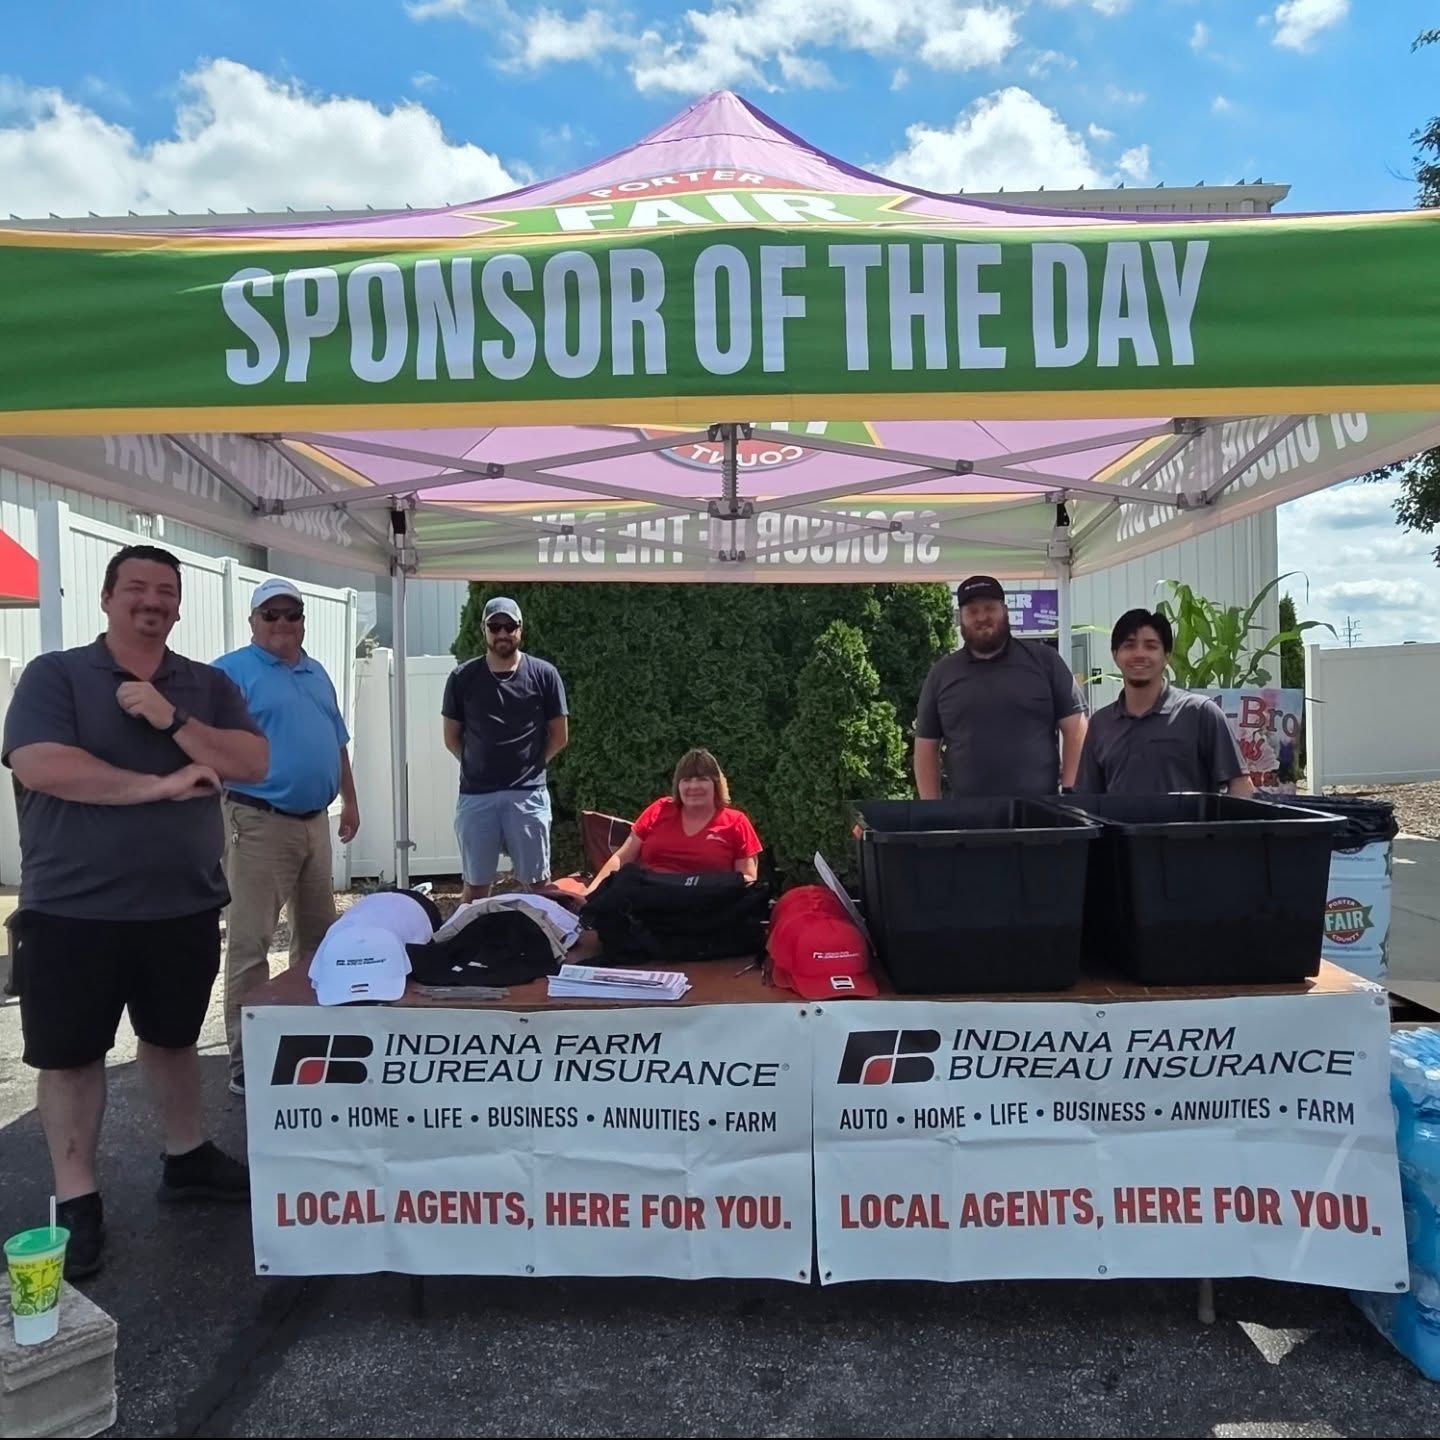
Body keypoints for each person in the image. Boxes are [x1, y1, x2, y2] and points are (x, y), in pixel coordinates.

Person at [2, 545, 269, 1279]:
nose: (153, 602)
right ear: (107, 597)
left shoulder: (204, 685)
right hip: (73, 909)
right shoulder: (57, 675)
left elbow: (250, 762)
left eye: (166, 592)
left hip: (180, 905)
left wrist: (171, 718)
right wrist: (161, 784)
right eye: (138, 589)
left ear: (180, 605)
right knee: (70, 1055)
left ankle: (185, 1158)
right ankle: (75, 1200)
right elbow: (39, 765)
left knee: (174, 1039)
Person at [212, 577, 360, 1096]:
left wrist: (351, 800)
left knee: (319, 938)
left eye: (291, 614)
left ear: (303, 620)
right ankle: (245, 1060)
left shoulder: (317, 672)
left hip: (314, 820)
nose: (282, 623)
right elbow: (201, 741)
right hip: (257, 820)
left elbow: (337, 742)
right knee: (251, 941)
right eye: (270, 614)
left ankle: (307, 1039)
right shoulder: (229, 673)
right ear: (253, 621)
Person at [914, 576, 1088, 799]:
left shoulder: (1045, 661)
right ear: (961, 618)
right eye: (972, 611)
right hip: (967, 818)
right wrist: (932, 809)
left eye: (989, 608)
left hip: (1041, 816)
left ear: (1005, 610)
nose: (982, 618)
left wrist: (1071, 791)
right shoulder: (941, 674)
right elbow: (926, 746)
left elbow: (1076, 727)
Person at [443, 596, 568, 903]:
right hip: (476, 797)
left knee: (539, 887)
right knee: (475, 889)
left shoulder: (544, 675)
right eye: (495, 626)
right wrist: (477, 765)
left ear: (520, 630)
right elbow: (451, 738)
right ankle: (468, 948)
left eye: (509, 626)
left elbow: (559, 735)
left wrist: (532, 767)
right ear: (484, 630)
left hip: (528, 796)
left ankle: (542, 948)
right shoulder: (462, 678)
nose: (502, 633)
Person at [1075, 608, 1255, 796]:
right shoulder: (1100, 724)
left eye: (1151, 646)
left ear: (1167, 656)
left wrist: (1222, 826)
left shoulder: (1200, 713)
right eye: (1129, 645)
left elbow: (1241, 785)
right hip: (1122, 826)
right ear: (1115, 655)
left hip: (1186, 826)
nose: (1139, 654)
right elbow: (1089, 799)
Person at [586, 749, 762, 891]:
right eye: (686, 780)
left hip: (706, 905)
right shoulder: (659, 809)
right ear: (678, 785)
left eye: (702, 779)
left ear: (716, 785)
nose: (693, 786)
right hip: (651, 897)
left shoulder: (736, 822)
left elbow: (747, 880)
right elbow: (622, 858)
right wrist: (591, 892)